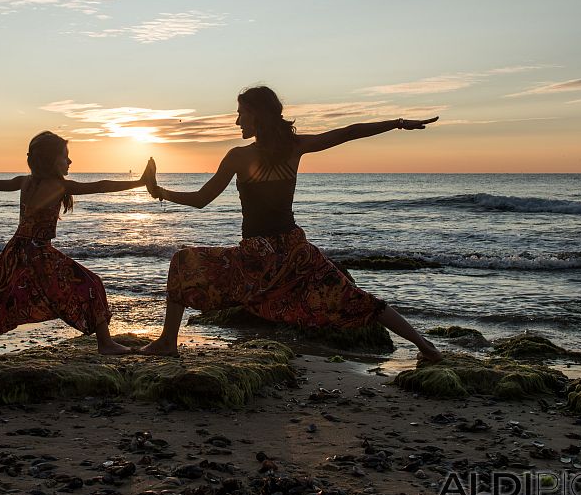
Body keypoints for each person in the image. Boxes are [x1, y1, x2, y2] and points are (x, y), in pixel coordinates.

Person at [141, 86, 442, 362]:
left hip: (257, 258)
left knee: (183, 261)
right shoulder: (293, 147)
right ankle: (427, 348)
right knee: (356, 298)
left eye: (240, 114)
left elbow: (201, 199)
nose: (237, 122)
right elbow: (347, 132)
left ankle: (168, 341)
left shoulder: (238, 156)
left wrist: (161, 192)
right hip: (294, 252)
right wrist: (397, 123)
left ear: (256, 114)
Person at [0, 131, 154, 356]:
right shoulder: (58, 186)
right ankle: (105, 344)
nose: (70, 161)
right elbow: (101, 185)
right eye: (65, 156)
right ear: (50, 160)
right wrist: (139, 182)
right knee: (91, 284)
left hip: (17, 250)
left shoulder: (26, 181)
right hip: (37, 253)